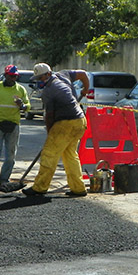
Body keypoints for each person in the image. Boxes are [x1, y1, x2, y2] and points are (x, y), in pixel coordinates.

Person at [22, 63, 90, 197]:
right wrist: (85, 89)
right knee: (70, 155)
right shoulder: (64, 74)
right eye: (38, 79)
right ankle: (78, 188)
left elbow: (50, 116)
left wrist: (50, 133)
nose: (40, 81)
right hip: (80, 121)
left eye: (41, 78)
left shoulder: (48, 92)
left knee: (49, 154)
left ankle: (40, 187)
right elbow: (83, 74)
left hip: (66, 123)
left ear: (48, 74)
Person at [0, 65, 30, 191]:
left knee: (10, 156)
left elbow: (27, 106)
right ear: (6, 75)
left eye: (15, 76)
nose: (13, 78)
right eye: (11, 76)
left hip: (13, 125)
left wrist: (22, 106)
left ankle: (4, 180)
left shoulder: (20, 89)